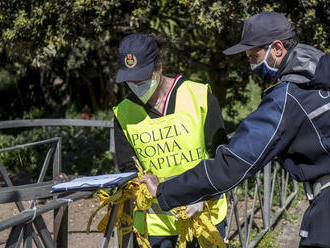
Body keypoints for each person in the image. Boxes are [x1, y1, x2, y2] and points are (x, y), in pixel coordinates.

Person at [141, 12, 330, 248]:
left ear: (278, 49)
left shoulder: (288, 96)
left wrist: (166, 189)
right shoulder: (319, 79)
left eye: (254, 56)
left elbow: (234, 162)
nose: (251, 65)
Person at [113, 33, 228, 248]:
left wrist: (204, 194)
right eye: (131, 80)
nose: (137, 85)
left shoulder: (198, 96)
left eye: (143, 78)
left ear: (159, 67)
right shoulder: (124, 113)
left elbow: (221, 157)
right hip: (155, 225)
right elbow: (128, 168)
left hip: (204, 215)